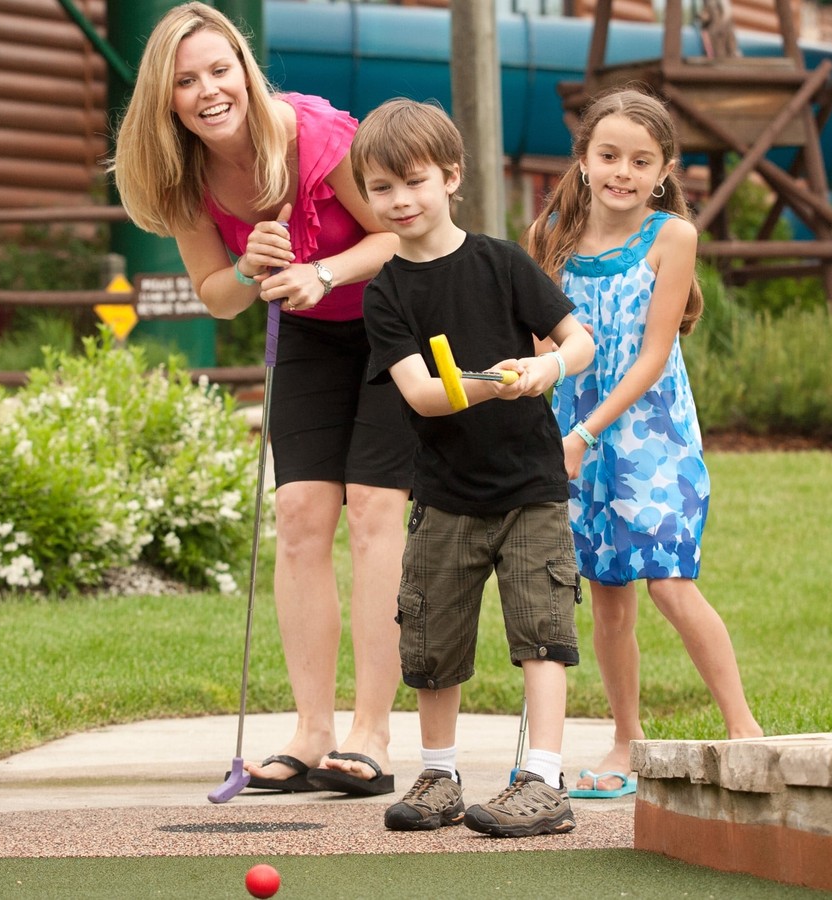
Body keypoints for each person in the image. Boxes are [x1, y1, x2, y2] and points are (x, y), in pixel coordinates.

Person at [110, 3, 414, 796]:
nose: (209, 90)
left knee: (376, 511)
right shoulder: (181, 173)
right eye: (187, 80)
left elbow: (397, 237)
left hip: (391, 320)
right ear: (166, 98)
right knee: (300, 516)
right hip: (309, 334)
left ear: (245, 69)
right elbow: (217, 295)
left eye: (221, 69)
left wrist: (323, 271)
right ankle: (312, 730)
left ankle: (371, 735)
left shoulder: (316, 136)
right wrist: (251, 270)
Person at [351, 98, 596, 836]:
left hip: (530, 487)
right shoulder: (385, 293)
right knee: (431, 641)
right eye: (381, 189)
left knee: (543, 630)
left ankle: (544, 780)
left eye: (414, 181)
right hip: (446, 494)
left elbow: (579, 341)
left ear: (451, 177)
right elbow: (424, 397)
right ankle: (439, 774)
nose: (399, 200)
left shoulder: (501, 262)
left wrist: (545, 368)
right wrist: (498, 379)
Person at [523, 88, 763, 800]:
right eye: (608, 156)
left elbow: (653, 355)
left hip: (649, 436)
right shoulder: (550, 237)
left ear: (663, 171)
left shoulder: (672, 238)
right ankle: (626, 741)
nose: (622, 172)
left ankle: (744, 728)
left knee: (668, 579)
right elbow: (544, 349)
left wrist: (587, 433)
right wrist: (537, 411)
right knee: (608, 598)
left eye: (640, 160)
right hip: (572, 435)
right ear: (585, 158)